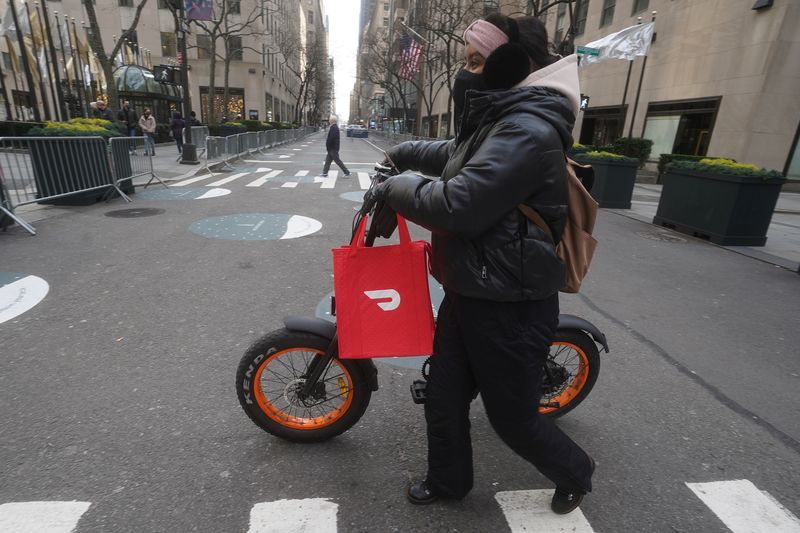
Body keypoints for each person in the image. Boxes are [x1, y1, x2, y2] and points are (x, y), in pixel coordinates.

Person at [372, 14, 595, 514]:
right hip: (470, 289)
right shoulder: (503, 121)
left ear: (510, 66)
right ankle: (448, 481)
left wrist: (394, 187)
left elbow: (459, 204)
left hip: (510, 306)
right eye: (465, 61)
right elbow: (457, 154)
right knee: (444, 397)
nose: (466, 73)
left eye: (476, 61)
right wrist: (405, 153)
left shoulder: (528, 131)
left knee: (511, 418)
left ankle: (575, 471)